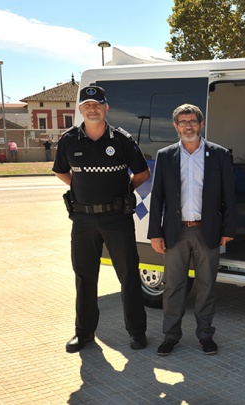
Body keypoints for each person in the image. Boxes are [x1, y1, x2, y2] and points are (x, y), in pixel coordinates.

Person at [52, 85, 150, 353]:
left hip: (116, 218)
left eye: (97, 105)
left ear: (106, 108)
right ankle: (83, 334)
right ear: (81, 110)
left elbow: (142, 173)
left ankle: (137, 333)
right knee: (84, 277)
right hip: (82, 220)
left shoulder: (122, 139)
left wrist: (123, 193)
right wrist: (81, 189)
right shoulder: (69, 140)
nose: (92, 109)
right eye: (87, 105)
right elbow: (61, 172)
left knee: (129, 276)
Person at [147, 103, 236, 356]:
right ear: (175, 126)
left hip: (207, 231)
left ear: (201, 124)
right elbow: (158, 198)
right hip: (175, 232)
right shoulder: (165, 156)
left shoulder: (219, 155)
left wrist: (228, 229)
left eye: (192, 121)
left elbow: (228, 195)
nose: (188, 126)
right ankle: (171, 335)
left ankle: (205, 335)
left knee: (207, 286)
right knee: (174, 287)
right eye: (183, 122)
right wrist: (155, 232)